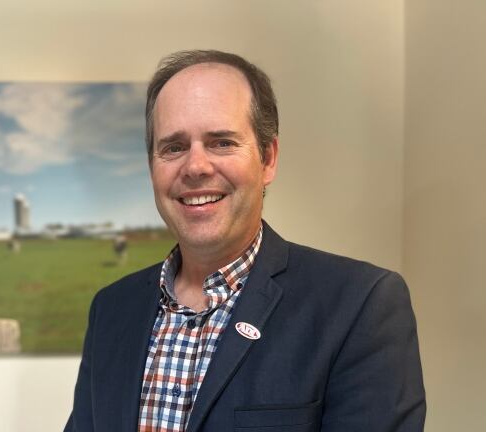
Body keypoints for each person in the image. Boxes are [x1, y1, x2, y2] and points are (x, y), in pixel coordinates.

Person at [64, 50, 425, 432]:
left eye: (221, 142)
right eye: (173, 147)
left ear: (268, 158)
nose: (196, 166)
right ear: (152, 165)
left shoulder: (359, 306)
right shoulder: (112, 309)